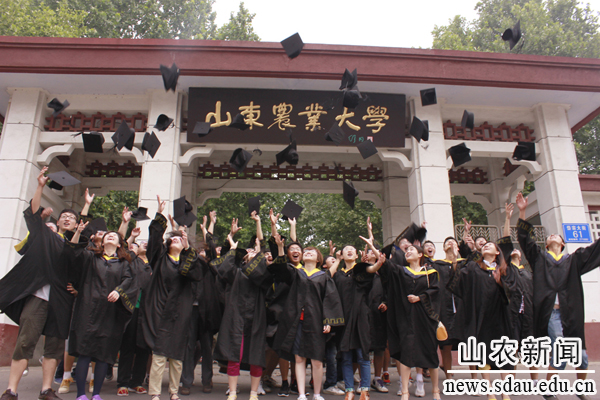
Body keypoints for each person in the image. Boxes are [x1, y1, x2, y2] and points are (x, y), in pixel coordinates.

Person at [0, 167, 93, 400]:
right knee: (25, 342)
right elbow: (33, 214)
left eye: (72, 218)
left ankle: (46, 389)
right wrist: (40, 187)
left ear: (76, 225)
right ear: (57, 221)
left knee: (54, 345)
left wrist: (86, 206)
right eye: (64, 216)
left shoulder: (76, 248)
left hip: (61, 299)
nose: (67, 218)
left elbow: (76, 253)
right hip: (37, 297)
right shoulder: (45, 235)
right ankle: (11, 389)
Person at [516, 192, 600, 400]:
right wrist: (522, 212)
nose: (553, 236)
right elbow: (525, 240)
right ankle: (548, 389)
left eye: (557, 236)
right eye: (550, 236)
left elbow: (594, 250)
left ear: (562, 243)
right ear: (546, 244)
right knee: (562, 349)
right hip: (551, 314)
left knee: (582, 356)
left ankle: (580, 389)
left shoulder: (573, 260)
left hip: (571, 313)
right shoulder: (540, 259)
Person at [142, 196, 204, 400]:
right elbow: (154, 240)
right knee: (159, 354)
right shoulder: (160, 259)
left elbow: (196, 274)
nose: (176, 240)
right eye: (173, 239)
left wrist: (188, 250)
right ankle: (154, 392)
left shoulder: (188, 260)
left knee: (177, 355)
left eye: (179, 239)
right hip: (160, 309)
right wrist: (160, 215)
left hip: (181, 312)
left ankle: (174, 391)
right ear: (168, 244)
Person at [66, 220, 137, 400]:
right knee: (84, 353)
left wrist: (118, 291)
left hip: (109, 313)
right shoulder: (90, 257)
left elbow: (128, 280)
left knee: (103, 355)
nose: (110, 236)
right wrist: (79, 232)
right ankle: (81, 394)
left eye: (114, 236)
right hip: (87, 311)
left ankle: (96, 394)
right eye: (107, 235)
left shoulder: (123, 263)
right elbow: (73, 252)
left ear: (120, 244)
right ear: (102, 242)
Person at [270, 233, 345, 400]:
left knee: (317, 360)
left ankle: (317, 394)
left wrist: (328, 321)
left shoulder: (323, 277)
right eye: (306, 251)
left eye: (312, 251)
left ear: (318, 259)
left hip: (316, 322)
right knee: (299, 358)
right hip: (297, 322)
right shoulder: (296, 273)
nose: (308, 252)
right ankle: (302, 394)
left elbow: (330, 299)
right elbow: (281, 270)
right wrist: (281, 248)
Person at [212, 213, 271, 400]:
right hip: (235, 316)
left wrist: (258, 225)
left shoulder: (262, 273)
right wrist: (232, 248)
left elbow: (261, 256)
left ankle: (253, 393)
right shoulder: (236, 273)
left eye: (255, 253)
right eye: (249, 252)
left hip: (256, 317)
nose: (251, 253)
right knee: (233, 354)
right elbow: (223, 270)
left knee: (256, 357)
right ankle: (233, 392)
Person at [374, 242, 441, 400]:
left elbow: (436, 292)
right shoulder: (401, 271)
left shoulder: (430, 273)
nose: (408, 252)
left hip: (425, 318)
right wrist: (376, 252)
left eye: (412, 249)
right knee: (406, 353)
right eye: (406, 250)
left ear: (420, 254)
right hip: (405, 318)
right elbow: (387, 266)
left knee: (430, 353)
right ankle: (405, 391)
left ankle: (436, 391)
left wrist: (420, 297)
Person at [447, 241, 512, 400]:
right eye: (484, 246)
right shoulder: (473, 267)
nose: (486, 246)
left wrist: (500, 282)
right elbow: (458, 284)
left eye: (490, 245)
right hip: (480, 316)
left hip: (500, 317)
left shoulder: (504, 269)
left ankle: (505, 392)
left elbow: (513, 292)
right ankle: (490, 391)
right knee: (482, 353)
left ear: (498, 252)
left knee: (503, 353)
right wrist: (454, 260)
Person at [329, 239, 385, 400]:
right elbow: (327, 277)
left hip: (360, 318)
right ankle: (349, 390)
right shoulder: (338, 275)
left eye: (352, 249)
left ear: (356, 255)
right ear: (341, 254)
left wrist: (379, 263)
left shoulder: (360, 271)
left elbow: (371, 269)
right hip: (343, 319)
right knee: (346, 357)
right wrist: (337, 260)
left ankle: (365, 390)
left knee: (362, 355)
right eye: (345, 249)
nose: (349, 250)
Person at [116, 229, 154, 396]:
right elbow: (123, 252)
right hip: (132, 308)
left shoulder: (154, 263)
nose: (144, 244)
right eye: (141, 243)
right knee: (127, 347)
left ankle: (137, 381)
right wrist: (132, 238)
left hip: (148, 310)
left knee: (144, 348)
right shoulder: (132, 261)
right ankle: (123, 382)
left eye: (147, 243)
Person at [430, 237, 465, 380]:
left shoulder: (464, 263)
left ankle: (475, 377)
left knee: (469, 342)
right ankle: (449, 376)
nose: (450, 243)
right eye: (447, 243)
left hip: (462, 306)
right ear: (443, 248)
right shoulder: (437, 265)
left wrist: (456, 259)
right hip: (445, 307)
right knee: (446, 343)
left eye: (453, 242)